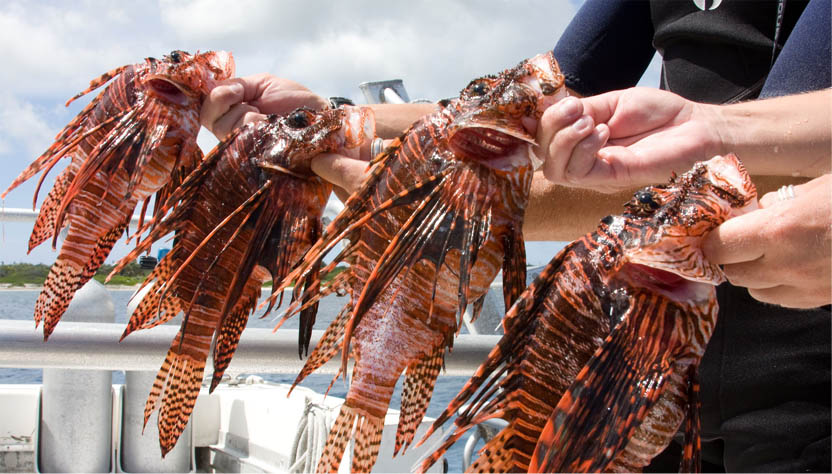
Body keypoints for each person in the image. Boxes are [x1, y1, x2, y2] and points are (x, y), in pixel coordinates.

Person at [199, 0, 830, 470]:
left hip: (806, 388)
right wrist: (340, 120)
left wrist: (414, 191)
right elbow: (528, 114)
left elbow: (753, 169)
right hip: (624, 377)